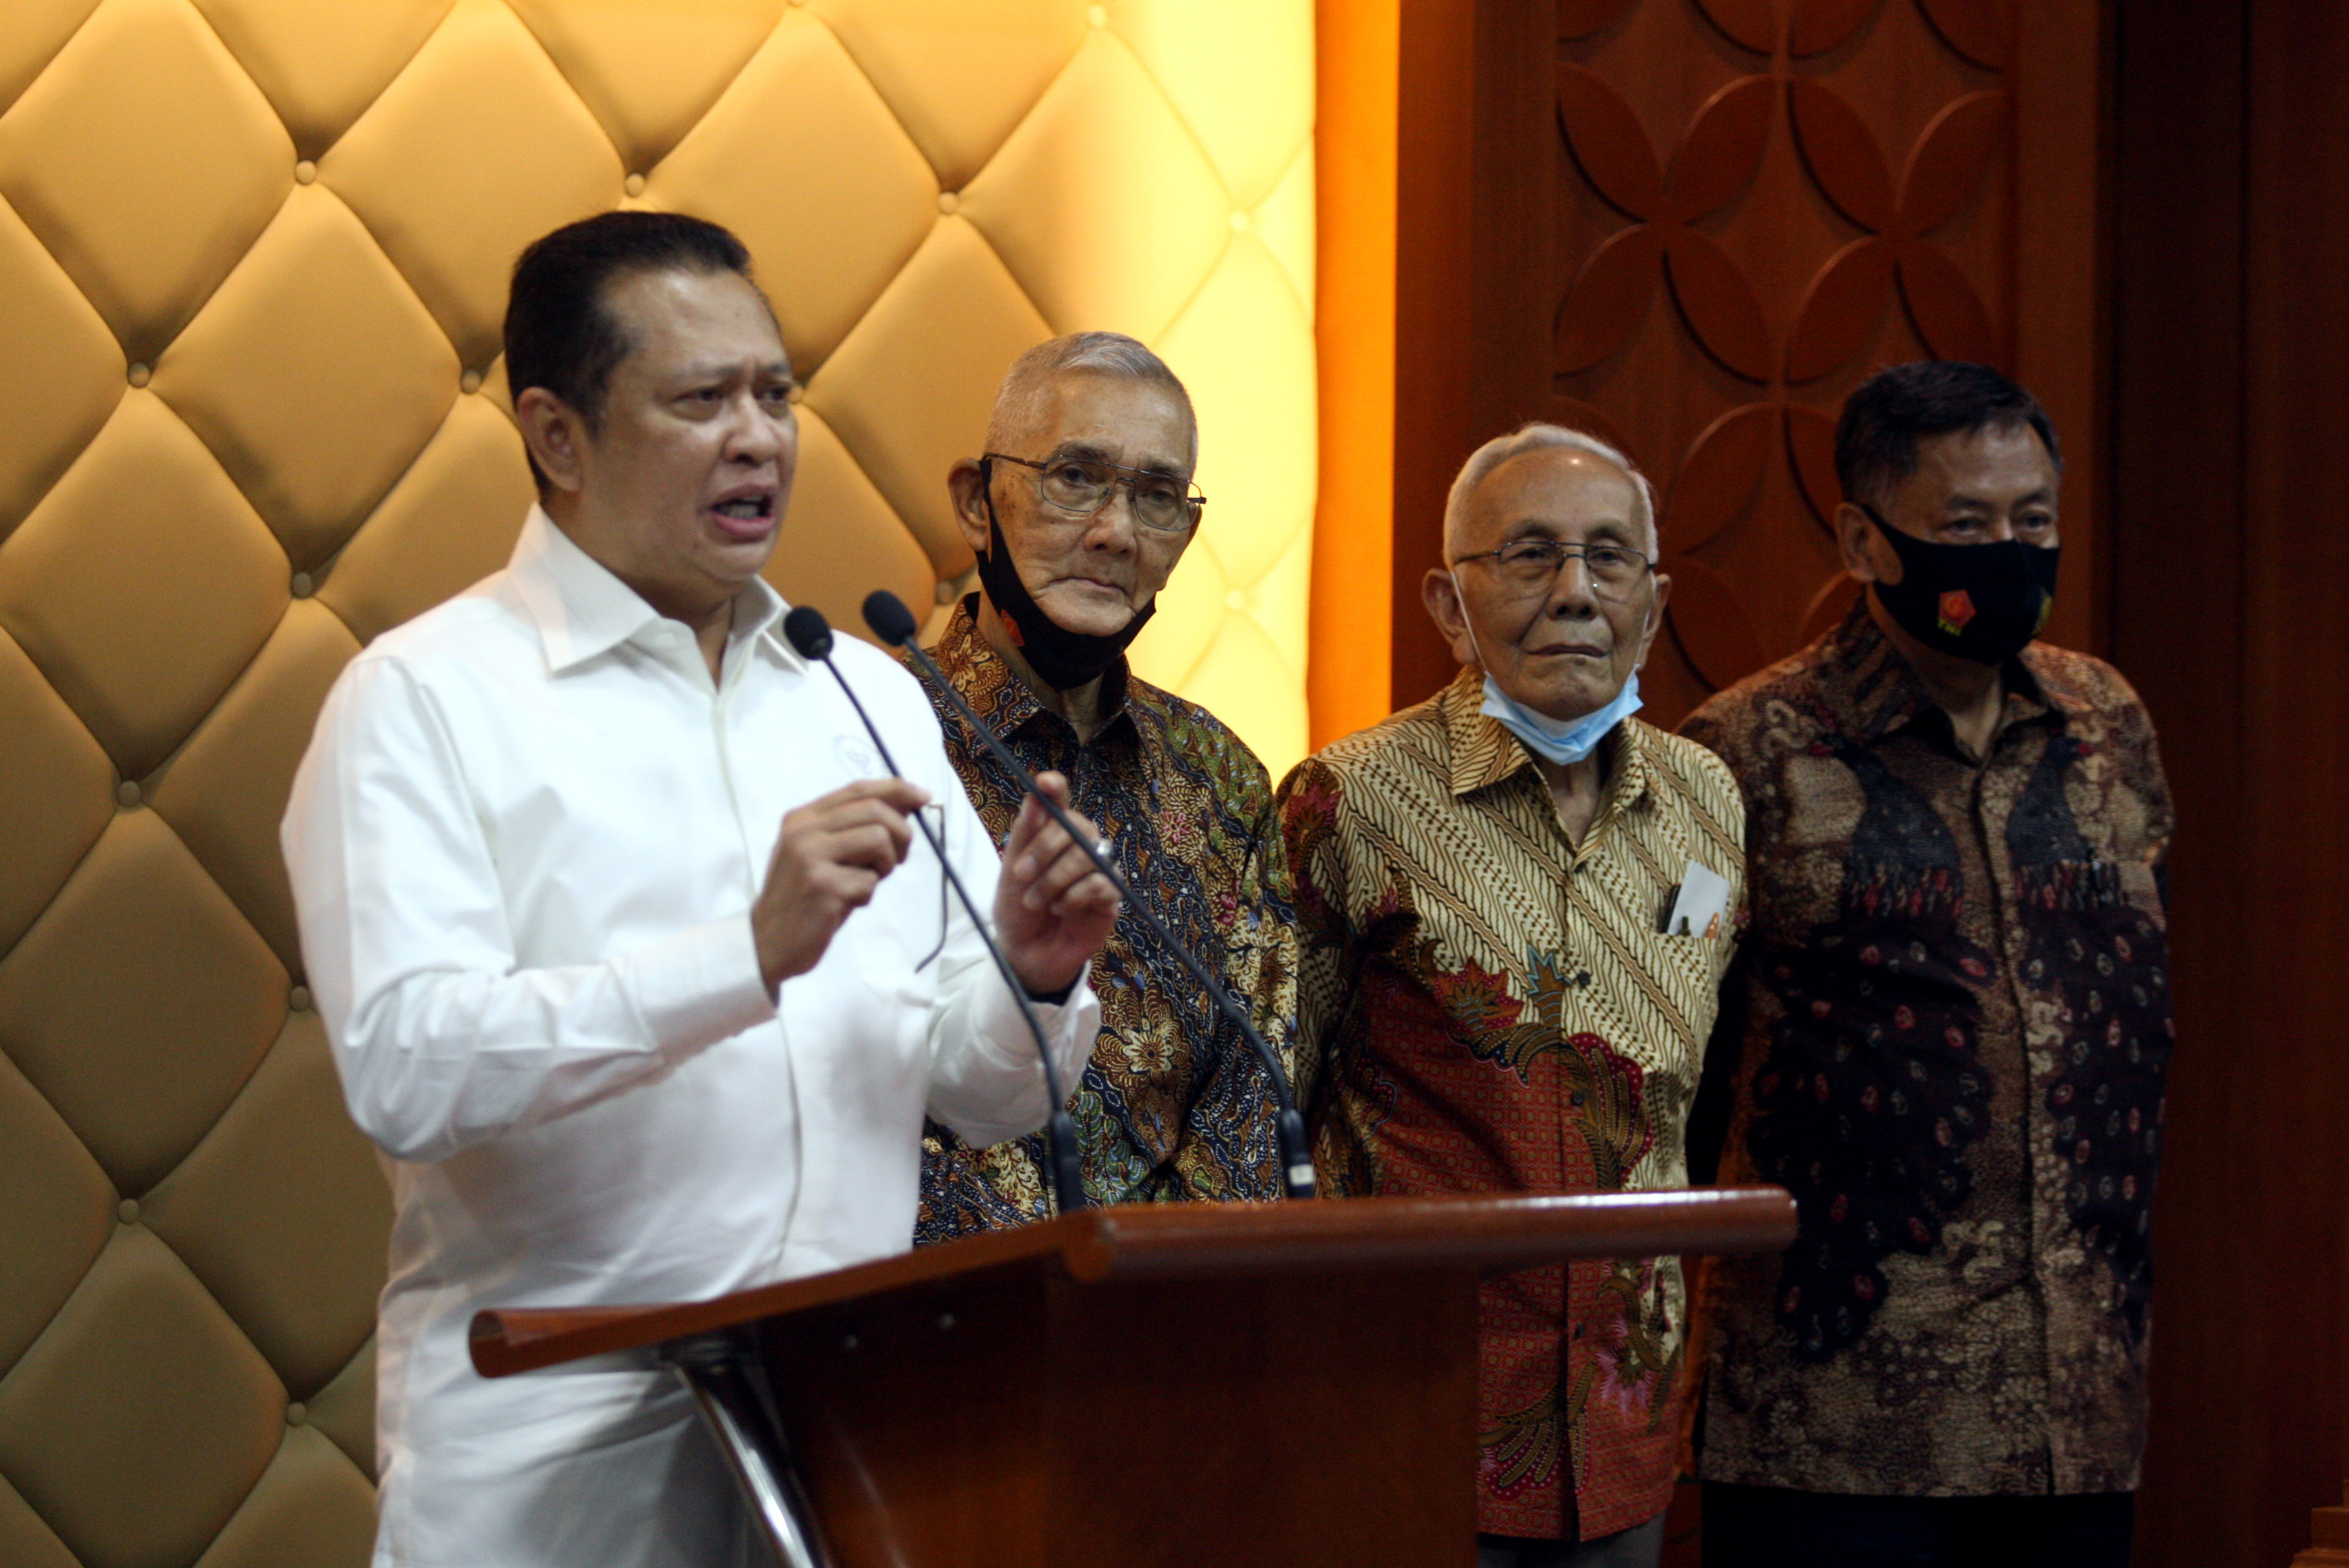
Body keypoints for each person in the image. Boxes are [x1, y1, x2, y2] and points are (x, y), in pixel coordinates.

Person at [280, 211, 1118, 1568]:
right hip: (560, 1485)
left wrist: (1030, 974)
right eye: (701, 399)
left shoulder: (866, 691)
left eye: (774, 394)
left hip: (854, 1457)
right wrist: (743, 954)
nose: (758, 437)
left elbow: (978, 1094)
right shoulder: (423, 702)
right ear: (558, 436)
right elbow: (407, 1067)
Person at [1682, 361, 2175, 1568]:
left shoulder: (2107, 722)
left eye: (2033, 522)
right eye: (1965, 526)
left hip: (2078, 1413)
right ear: (1863, 535)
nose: (2007, 554)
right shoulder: (1740, 751)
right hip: (1832, 1432)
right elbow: (1674, 1049)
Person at [1277, 425, 1745, 1567]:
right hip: (1415, 1410)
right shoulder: (1352, 799)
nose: (1576, 592)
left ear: (1656, 595)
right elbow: (1268, 1100)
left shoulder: (1708, 803)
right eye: (1531, 557)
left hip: (1626, 1419)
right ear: (1449, 604)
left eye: (1608, 559)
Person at [913, 331, 1300, 1236]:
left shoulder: (1224, 778)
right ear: (977, 504)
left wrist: (1138, 1307)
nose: (1114, 530)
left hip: (1167, 1329)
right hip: (922, 1323)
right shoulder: (872, 736)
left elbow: (1254, 1096)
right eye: (1073, 477)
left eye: (1156, 496)